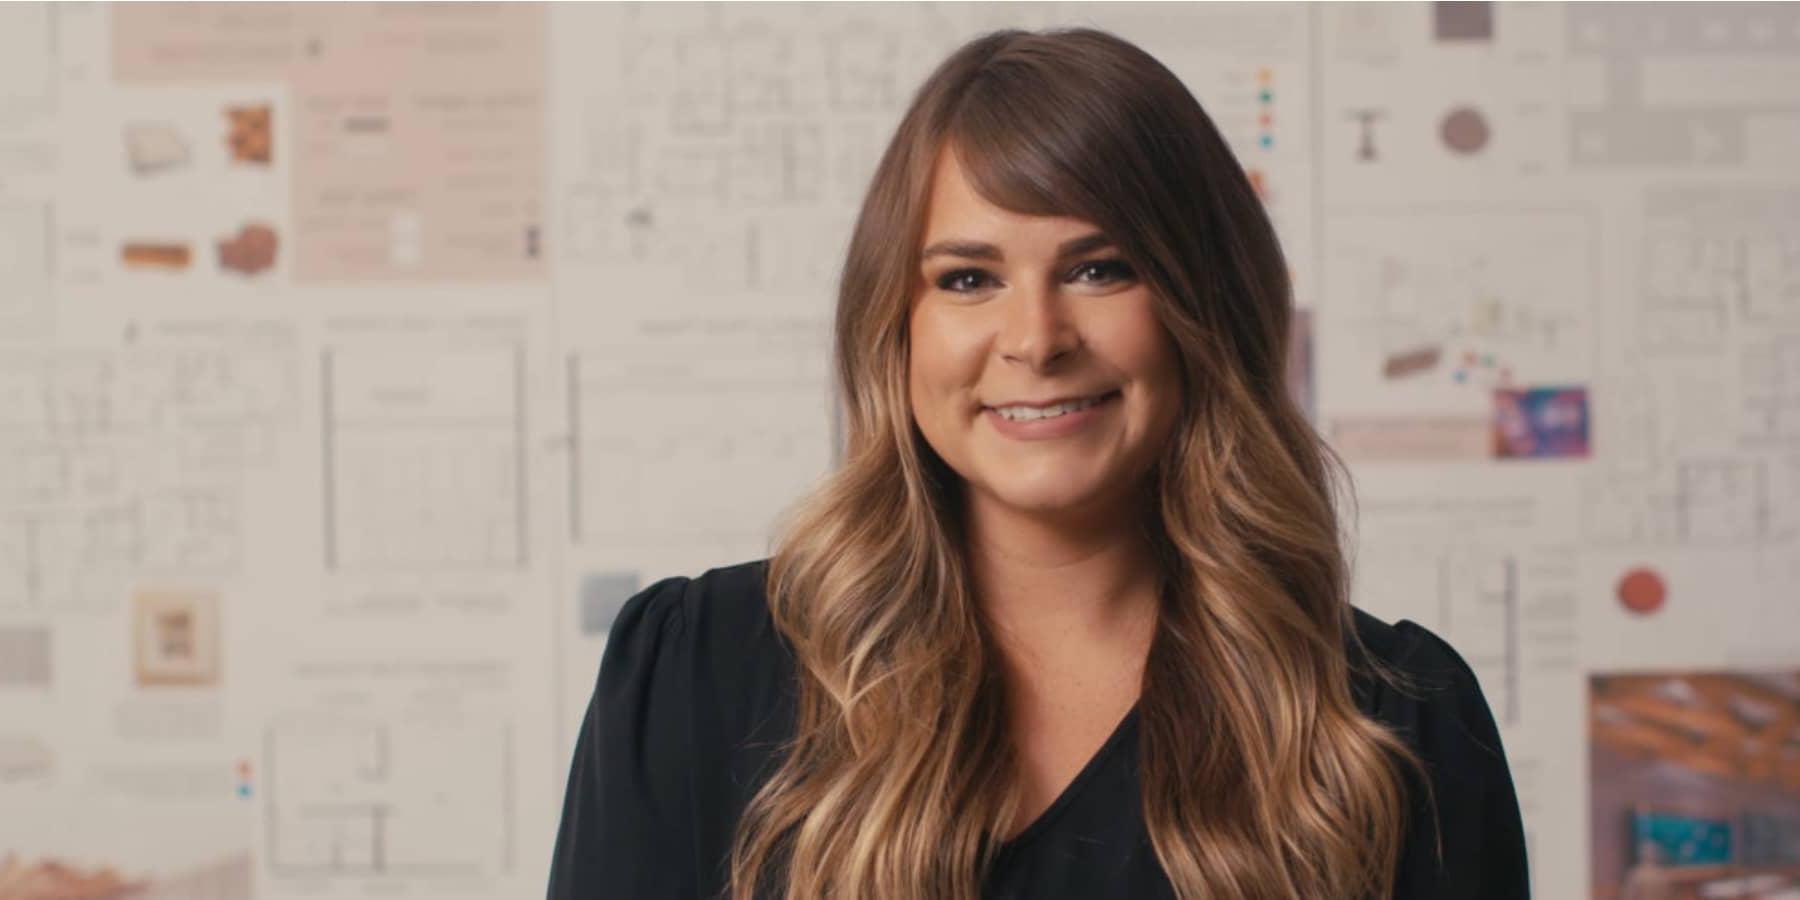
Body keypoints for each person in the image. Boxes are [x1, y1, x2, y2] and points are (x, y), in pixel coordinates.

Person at [548, 26, 1529, 900]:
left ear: (1205, 308)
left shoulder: (1396, 723)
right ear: (896, 324)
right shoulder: (697, 671)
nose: (1035, 337)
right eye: (969, 278)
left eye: (1100, 269)